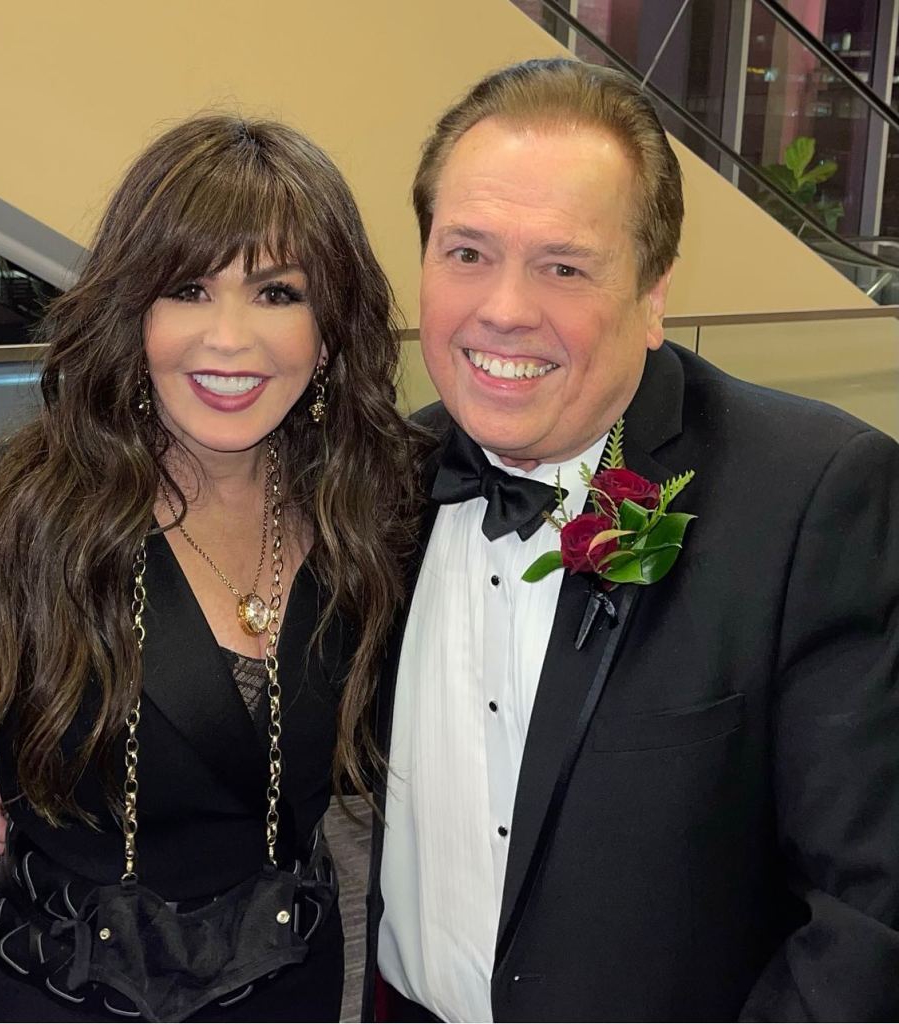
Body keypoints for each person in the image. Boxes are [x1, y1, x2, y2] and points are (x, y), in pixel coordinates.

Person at [364, 59, 899, 1021]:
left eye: (564, 266)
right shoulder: (377, 486)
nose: (504, 309)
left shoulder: (812, 498)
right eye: (467, 252)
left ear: (654, 296)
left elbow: (871, 914)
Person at [0, 114, 425, 1022]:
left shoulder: (374, 510)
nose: (231, 340)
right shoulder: (1, 517)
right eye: (190, 289)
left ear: (329, 334)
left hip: (291, 990)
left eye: (279, 293)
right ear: (133, 310)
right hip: (65, 998)